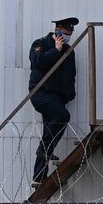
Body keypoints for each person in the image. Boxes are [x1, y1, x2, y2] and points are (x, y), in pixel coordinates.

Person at [28, 16, 78, 184]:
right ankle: (44, 150)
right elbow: (37, 62)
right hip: (41, 94)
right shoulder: (41, 44)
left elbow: (71, 75)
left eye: (70, 31)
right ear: (57, 29)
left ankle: (39, 176)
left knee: (47, 133)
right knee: (63, 116)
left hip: (58, 97)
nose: (68, 34)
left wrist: (69, 94)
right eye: (65, 31)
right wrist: (55, 50)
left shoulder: (69, 50)